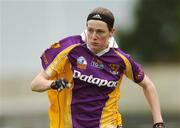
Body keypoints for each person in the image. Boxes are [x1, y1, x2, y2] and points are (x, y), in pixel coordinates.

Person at [31, 7, 165, 128]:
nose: (94, 36)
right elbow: (35, 84)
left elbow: (148, 85)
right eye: (90, 30)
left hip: (108, 124)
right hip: (71, 124)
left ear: (111, 32)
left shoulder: (121, 60)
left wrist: (158, 122)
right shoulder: (71, 50)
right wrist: (54, 84)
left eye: (100, 32)